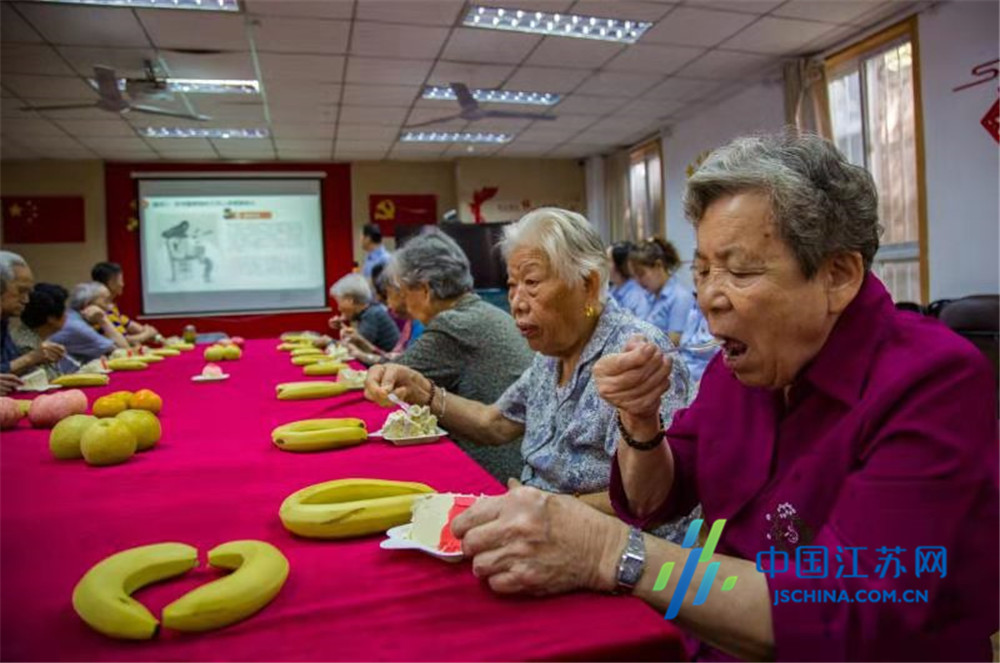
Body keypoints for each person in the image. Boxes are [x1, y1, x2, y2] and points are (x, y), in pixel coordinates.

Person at [448, 133, 999, 662]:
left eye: (739, 271)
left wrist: (611, 553)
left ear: (837, 275)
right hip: (707, 638)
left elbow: (840, 611)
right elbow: (651, 500)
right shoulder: (739, 371)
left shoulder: (932, 382)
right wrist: (639, 422)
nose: (709, 298)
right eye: (704, 270)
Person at [365, 213, 692, 530]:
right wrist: (424, 391)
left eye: (532, 283)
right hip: (530, 519)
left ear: (588, 285)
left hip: (600, 542)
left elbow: (654, 503)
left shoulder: (638, 355)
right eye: (512, 284)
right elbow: (495, 423)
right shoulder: (552, 352)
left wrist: (541, 505)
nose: (516, 302)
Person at [363, 227, 536, 482]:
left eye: (401, 288)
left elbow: (390, 380)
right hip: (517, 460)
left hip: (493, 472)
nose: (398, 298)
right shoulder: (481, 312)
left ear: (424, 290)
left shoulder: (454, 325)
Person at [0, 251, 65, 383]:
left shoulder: (3, 320)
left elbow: (8, 366)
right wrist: (30, 358)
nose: (26, 300)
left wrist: (37, 356)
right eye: (21, 291)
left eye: (28, 292)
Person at [344, 268, 423, 365]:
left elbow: (402, 365)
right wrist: (363, 343)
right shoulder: (411, 323)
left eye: (389, 295)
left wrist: (360, 354)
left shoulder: (421, 324)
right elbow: (392, 356)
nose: (388, 305)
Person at [630, 238, 694, 345]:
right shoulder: (649, 296)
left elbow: (673, 342)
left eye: (641, 274)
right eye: (634, 276)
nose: (638, 281)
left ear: (658, 266)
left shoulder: (679, 297)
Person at [50, 282, 129, 363]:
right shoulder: (78, 327)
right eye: (106, 301)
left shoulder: (72, 316)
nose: (111, 307)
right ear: (88, 305)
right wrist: (103, 319)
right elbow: (124, 351)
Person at [11, 284, 79, 379]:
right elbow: (50, 382)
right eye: (65, 310)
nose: (67, 315)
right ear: (51, 318)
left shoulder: (33, 336)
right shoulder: (26, 346)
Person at [90, 262, 160, 345]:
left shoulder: (111, 306)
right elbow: (121, 341)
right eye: (120, 280)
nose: (122, 284)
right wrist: (147, 334)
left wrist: (159, 338)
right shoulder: (96, 310)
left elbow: (131, 325)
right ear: (110, 282)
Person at [329, 273, 400, 353]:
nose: (338, 308)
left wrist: (329, 342)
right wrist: (341, 324)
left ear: (350, 300)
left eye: (339, 302)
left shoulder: (371, 315)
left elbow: (356, 347)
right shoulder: (370, 310)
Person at [607, 241, 651, 319]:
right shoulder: (612, 291)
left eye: (608, 260)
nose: (604, 265)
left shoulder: (636, 296)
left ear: (619, 265)